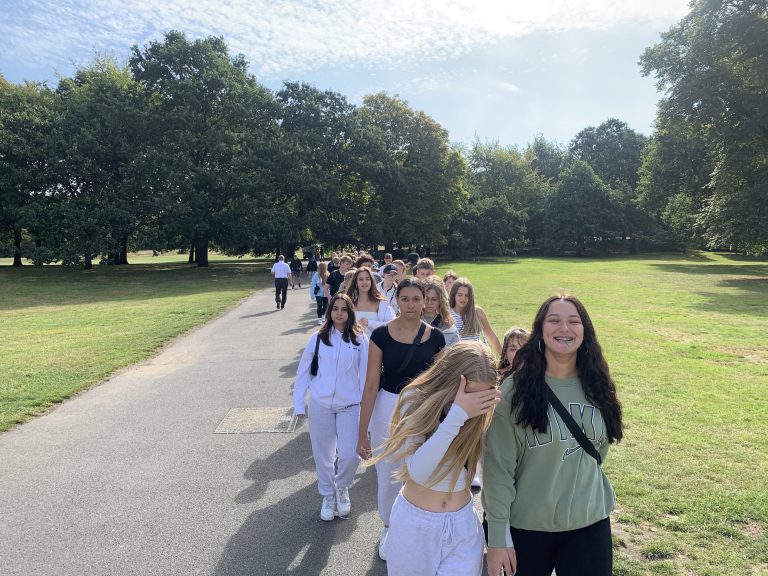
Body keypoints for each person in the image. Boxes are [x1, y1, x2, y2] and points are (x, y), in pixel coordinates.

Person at [483, 294, 624, 576]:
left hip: (589, 521)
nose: (564, 328)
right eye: (554, 320)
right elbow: (497, 471)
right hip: (527, 527)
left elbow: (599, 449)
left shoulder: (597, 385)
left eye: (574, 321)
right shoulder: (513, 392)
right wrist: (497, 538)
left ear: (585, 330)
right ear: (540, 329)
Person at [370, 342, 501, 575]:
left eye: (482, 396)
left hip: (462, 528)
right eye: (469, 393)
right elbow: (418, 472)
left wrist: (500, 535)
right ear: (451, 380)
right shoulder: (415, 399)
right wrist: (457, 415)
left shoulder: (484, 409)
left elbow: (494, 474)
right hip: (415, 527)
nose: (475, 402)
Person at [357, 278, 446, 561]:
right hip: (388, 406)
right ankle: (389, 526)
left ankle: (418, 527)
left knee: (422, 470)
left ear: (425, 301)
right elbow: (371, 384)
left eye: (416, 299)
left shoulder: (436, 337)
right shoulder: (381, 335)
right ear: (397, 301)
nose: (411, 305)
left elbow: (441, 383)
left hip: (423, 408)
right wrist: (362, 432)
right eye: (405, 299)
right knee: (388, 472)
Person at [294, 293, 369, 521]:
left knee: (350, 455)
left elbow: (366, 375)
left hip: (350, 405)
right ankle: (327, 494)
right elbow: (303, 372)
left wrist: (367, 409)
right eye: (335, 308)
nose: (339, 313)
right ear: (330, 311)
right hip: (321, 405)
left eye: (344, 309)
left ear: (350, 312)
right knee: (323, 455)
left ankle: (342, 487)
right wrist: (299, 404)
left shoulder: (359, 339)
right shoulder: (318, 337)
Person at [449, 278, 502, 355]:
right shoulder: (447, 314)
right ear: (454, 295)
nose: (463, 298)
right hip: (457, 358)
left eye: (467, 295)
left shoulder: (477, 312)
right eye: (460, 295)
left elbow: (491, 336)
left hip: (477, 357)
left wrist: (504, 357)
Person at [346, 267, 395, 337]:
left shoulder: (382, 303)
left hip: (377, 343)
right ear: (356, 282)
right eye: (360, 279)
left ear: (371, 281)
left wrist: (368, 322)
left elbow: (392, 325)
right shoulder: (349, 303)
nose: (364, 282)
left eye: (367, 279)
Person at [421, 276, 460, 347]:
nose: (429, 303)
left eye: (434, 299)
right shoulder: (412, 319)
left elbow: (457, 350)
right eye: (426, 298)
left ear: (441, 300)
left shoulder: (448, 324)